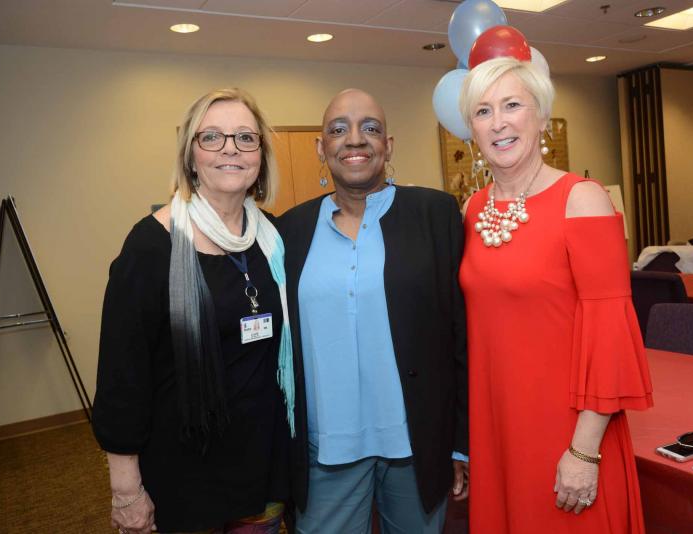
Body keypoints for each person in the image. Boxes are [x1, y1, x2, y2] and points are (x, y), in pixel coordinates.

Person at [458, 57, 653, 533]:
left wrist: (584, 451)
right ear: (472, 130)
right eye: (483, 112)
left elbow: (610, 338)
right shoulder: (471, 209)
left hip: (567, 432)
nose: (498, 122)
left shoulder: (581, 199)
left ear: (541, 117)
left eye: (512, 105)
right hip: (497, 430)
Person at [92, 88, 294, 534]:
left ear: (260, 155)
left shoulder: (275, 241)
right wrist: (125, 490)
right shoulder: (150, 247)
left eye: (245, 137)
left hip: (262, 466)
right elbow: (122, 378)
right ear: (190, 155)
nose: (230, 149)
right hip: (184, 476)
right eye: (212, 137)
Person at [277, 89, 468, 533]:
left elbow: (461, 335)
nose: (355, 139)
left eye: (371, 128)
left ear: (389, 145)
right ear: (320, 147)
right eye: (338, 129)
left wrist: (459, 446)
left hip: (416, 444)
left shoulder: (435, 215)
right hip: (325, 452)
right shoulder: (290, 230)